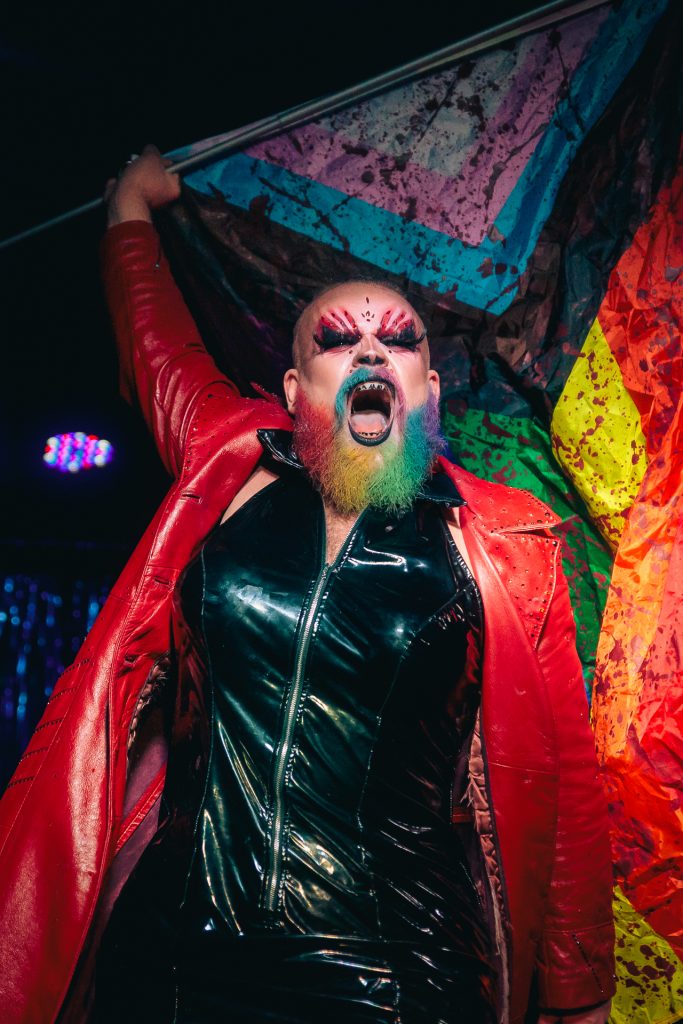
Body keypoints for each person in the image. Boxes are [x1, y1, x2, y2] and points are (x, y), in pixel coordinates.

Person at [0, 147, 615, 1024]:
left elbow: (561, 780)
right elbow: (152, 341)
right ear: (296, 388)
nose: (370, 345)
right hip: (175, 957)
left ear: (427, 390)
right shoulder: (229, 460)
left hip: (403, 972)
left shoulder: (508, 545)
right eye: (336, 340)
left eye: (398, 340)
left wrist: (578, 997)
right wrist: (129, 208)